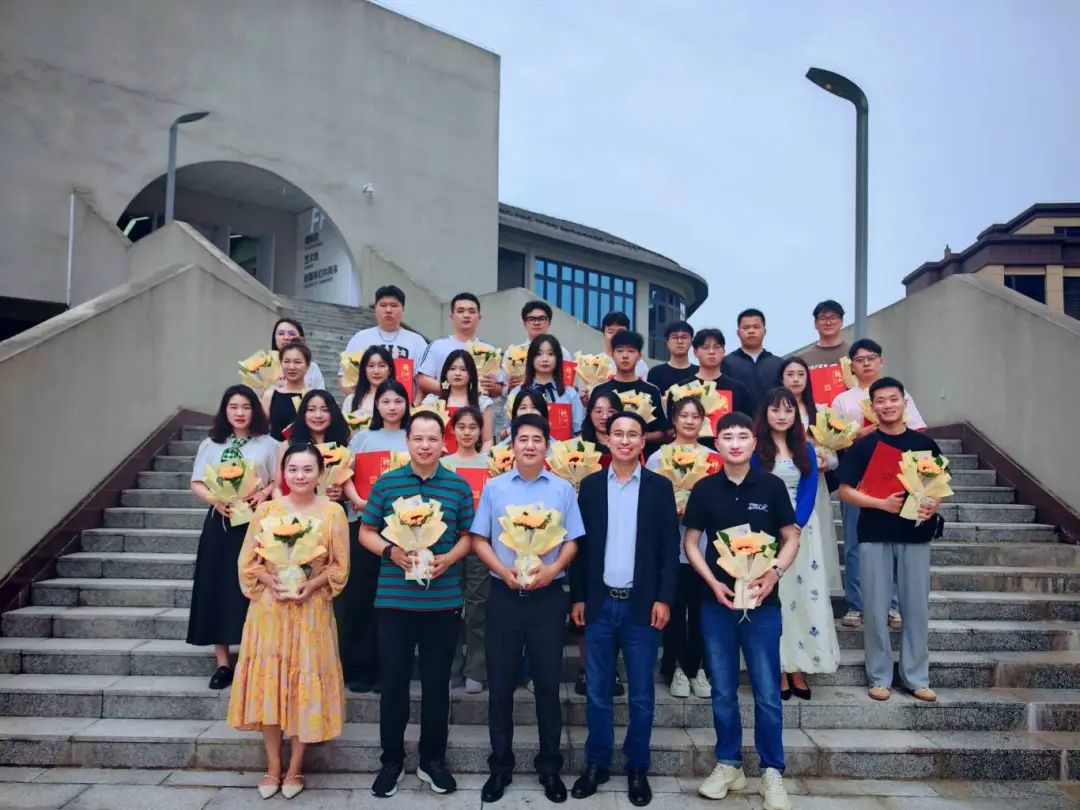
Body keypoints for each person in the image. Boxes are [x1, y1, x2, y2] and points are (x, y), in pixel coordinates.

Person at [683, 412, 799, 810]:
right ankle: (729, 763)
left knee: (767, 691)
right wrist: (711, 582)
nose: (735, 443)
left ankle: (771, 770)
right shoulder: (705, 489)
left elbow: (791, 536)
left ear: (754, 442)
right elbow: (691, 543)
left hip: (763, 605)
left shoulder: (771, 486)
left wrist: (774, 573)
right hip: (717, 604)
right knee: (722, 689)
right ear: (716, 444)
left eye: (742, 436)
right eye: (727, 437)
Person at [359, 411, 476, 798]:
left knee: (437, 686)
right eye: (418, 439)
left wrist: (449, 558)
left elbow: (468, 535)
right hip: (394, 601)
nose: (425, 446)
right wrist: (391, 552)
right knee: (393, 684)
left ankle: (432, 760)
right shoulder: (387, 483)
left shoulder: (457, 486)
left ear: (443, 443)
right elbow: (366, 532)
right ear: (407, 442)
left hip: (442, 602)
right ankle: (391, 761)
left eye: (432, 439)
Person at [470, 413, 585, 805]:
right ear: (512, 445)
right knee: (500, 685)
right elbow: (479, 539)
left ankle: (549, 768)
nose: (530, 445)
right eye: (523, 439)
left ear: (547, 445)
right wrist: (503, 570)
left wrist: (552, 570)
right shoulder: (495, 487)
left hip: (547, 598)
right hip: (504, 595)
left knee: (548, 686)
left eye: (537, 439)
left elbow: (572, 540)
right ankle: (500, 766)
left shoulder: (562, 489)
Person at [227, 443, 349, 801]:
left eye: (308, 469)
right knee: (270, 683)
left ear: (320, 473)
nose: (300, 475)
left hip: (311, 611)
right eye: (293, 469)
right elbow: (248, 562)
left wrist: (310, 585)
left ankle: (295, 766)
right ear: (284, 472)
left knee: (303, 685)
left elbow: (339, 566)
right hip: (270, 610)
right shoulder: (267, 509)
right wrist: (272, 581)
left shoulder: (333, 513)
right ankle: (273, 765)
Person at [569, 411, 679, 807]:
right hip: (600, 605)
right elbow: (580, 550)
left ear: (643, 441)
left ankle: (637, 766)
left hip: (641, 607)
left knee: (642, 695)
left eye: (633, 434)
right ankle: (597, 763)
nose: (626, 440)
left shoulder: (659, 487)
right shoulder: (591, 486)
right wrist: (578, 597)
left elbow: (669, 550)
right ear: (607, 439)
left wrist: (664, 598)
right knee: (597, 692)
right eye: (618, 433)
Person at [838, 377, 943, 704]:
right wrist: (880, 503)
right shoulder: (864, 446)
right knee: (874, 606)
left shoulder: (924, 444)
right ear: (872, 407)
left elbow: (938, 485)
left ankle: (916, 677)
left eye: (893, 399)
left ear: (904, 403)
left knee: (915, 608)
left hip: (915, 534)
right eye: (880, 401)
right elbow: (845, 491)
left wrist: (933, 505)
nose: (887, 405)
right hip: (874, 534)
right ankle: (879, 676)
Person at [187, 385, 278, 690]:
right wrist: (214, 500)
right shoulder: (211, 444)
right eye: (233, 407)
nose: (240, 413)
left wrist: (264, 494)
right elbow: (197, 482)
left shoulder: (268, 444)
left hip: (256, 523)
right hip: (221, 523)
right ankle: (223, 663)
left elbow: (278, 480)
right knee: (217, 586)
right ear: (225, 410)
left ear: (255, 410)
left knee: (253, 586)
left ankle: (255, 656)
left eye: (246, 407)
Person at [832, 338, 927, 630]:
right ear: (851, 365)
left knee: (895, 543)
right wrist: (860, 435)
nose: (866, 363)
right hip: (859, 481)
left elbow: (919, 430)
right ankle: (856, 605)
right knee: (854, 544)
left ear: (881, 361)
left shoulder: (899, 394)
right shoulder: (843, 400)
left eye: (871, 357)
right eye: (860, 359)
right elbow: (832, 441)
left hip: (896, 480)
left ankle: (893, 605)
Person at [752, 387, 840, 701]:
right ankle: (778, 667)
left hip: (802, 530)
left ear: (795, 415)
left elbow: (808, 490)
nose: (782, 416)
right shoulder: (755, 449)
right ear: (765, 413)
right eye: (775, 409)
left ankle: (799, 668)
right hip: (767, 530)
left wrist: (796, 526)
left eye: (788, 410)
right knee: (777, 599)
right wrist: (775, 526)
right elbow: (754, 488)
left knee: (804, 597)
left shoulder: (807, 449)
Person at [340, 379, 411, 694]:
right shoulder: (362, 438)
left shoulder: (413, 437)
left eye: (398, 401)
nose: (392, 407)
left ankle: (389, 670)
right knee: (361, 597)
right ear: (377, 406)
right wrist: (357, 500)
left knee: (394, 603)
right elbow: (344, 475)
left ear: (407, 405)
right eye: (386, 401)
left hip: (403, 529)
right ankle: (359, 667)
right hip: (364, 524)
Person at [645, 397, 712, 700]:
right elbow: (648, 503)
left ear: (703, 421)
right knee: (672, 610)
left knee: (700, 612)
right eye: (683, 415)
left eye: (695, 416)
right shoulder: (658, 458)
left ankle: (697, 668)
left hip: (704, 548)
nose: (689, 421)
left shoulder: (713, 459)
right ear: (673, 419)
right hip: (670, 548)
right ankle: (675, 669)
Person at [780, 357, 843, 597]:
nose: (795, 379)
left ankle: (817, 591)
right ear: (781, 379)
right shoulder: (772, 411)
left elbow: (833, 452)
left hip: (813, 482)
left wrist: (827, 462)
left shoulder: (822, 412)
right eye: (790, 374)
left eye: (800, 374)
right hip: (783, 481)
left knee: (817, 533)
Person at [442, 406, 490, 695]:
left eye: (473, 427)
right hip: (450, 543)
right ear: (453, 430)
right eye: (462, 427)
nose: (467, 432)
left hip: (481, 543)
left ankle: (476, 668)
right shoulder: (444, 464)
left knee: (477, 606)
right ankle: (451, 666)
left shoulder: (491, 464)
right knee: (450, 606)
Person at [340, 285, 428, 395]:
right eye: (383, 305)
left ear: (403, 309)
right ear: (375, 309)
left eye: (394, 305)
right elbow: (345, 379)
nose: (388, 310)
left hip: (405, 403)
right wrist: (361, 400)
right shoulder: (360, 338)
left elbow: (424, 379)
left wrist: (415, 403)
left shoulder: (417, 341)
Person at [590, 331, 667, 455]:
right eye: (620, 351)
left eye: (631, 351)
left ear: (639, 356)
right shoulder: (600, 390)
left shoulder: (651, 391)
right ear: (612, 354)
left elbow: (663, 432)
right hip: (607, 456)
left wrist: (636, 436)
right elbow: (590, 427)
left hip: (643, 458)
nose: (625, 356)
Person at [417, 292, 504, 398]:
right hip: (443, 405)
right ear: (451, 317)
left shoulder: (489, 351)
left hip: (478, 406)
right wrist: (452, 389)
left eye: (471, 311)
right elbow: (422, 379)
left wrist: (492, 387)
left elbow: (500, 388)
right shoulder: (437, 346)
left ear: (479, 317)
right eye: (460, 311)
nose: (466, 315)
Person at [507, 335, 585, 436]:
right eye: (539, 354)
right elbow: (507, 430)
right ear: (531, 358)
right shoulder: (517, 392)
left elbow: (579, 433)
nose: (545, 359)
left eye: (550, 354)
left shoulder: (570, 394)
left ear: (558, 358)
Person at [421, 349, 495, 451]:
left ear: (471, 374)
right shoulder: (433, 402)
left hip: (471, 459)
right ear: (445, 373)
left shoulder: (482, 403)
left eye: (463, 369)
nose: (457, 373)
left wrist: (480, 459)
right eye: (452, 369)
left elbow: (487, 441)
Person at [679, 328, 754, 424]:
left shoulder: (739, 389)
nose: (711, 351)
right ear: (695, 352)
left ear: (723, 351)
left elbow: (748, 424)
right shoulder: (683, 388)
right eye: (705, 347)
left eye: (717, 347)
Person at [720, 309, 784, 411]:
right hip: (738, 419)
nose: (751, 331)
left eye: (756, 327)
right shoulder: (726, 363)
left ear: (765, 331)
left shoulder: (779, 364)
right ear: (738, 333)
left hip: (772, 419)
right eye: (746, 328)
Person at [507, 300, 574, 389]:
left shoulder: (563, 352)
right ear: (524, 323)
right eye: (531, 319)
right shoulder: (511, 353)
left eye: (541, 319)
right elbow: (502, 388)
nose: (537, 323)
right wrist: (510, 387)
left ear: (549, 322)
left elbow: (568, 385)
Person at [262, 341, 311, 441]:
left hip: (306, 449)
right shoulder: (270, 395)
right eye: (286, 361)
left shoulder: (313, 396)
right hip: (276, 449)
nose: (291, 367)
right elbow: (259, 428)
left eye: (297, 362)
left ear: (307, 365)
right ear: (280, 364)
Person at [271, 317, 325, 390]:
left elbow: (320, 393)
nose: (286, 337)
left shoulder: (312, 367)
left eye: (291, 334)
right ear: (274, 338)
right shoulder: (265, 366)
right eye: (281, 333)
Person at [646, 320, 698, 395]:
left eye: (684, 337)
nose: (679, 341)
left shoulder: (699, 372)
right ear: (667, 342)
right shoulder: (655, 373)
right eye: (675, 337)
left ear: (691, 342)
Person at [342, 345, 395, 415]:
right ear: (364, 370)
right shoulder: (351, 400)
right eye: (371, 366)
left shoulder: (398, 400)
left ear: (389, 370)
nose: (376, 371)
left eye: (381, 365)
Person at [800, 300, 849, 368]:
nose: (828, 323)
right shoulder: (804, 359)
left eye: (833, 318)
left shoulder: (853, 354)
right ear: (815, 323)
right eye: (823, 318)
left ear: (841, 322)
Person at [600, 311, 649, 379]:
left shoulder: (640, 365)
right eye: (611, 332)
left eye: (620, 332)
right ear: (603, 334)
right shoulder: (593, 363)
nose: (615, 336)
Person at [580, 389, 623, 467]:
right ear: (590, 414)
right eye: (598, 411)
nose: (605, 417)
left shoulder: (627, 444)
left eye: (611, 411)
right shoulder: (580, 445)